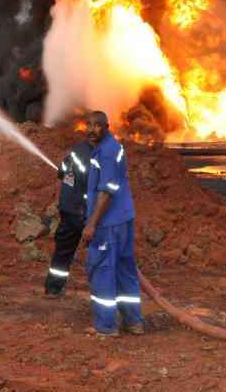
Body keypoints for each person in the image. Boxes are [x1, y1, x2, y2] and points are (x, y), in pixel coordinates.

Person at [81, 110, 144, 336]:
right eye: (88, 124)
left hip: (107, 224)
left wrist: (91, 225)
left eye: (97, 125)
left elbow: (106, 192)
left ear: (107, 127)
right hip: (124, 219)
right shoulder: (113, 147)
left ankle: (106, 326)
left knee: (102, 270)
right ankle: (133, 322)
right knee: (124, 270)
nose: (91, 129)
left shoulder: (106, 152)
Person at [44, 135, 93, 297]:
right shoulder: (95, 157)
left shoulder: (79, 148)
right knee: (103, 250)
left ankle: (53, 289)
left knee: (63, 249)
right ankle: (105, 293)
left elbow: (61, 171)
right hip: (80, 211)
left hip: (66, 207)